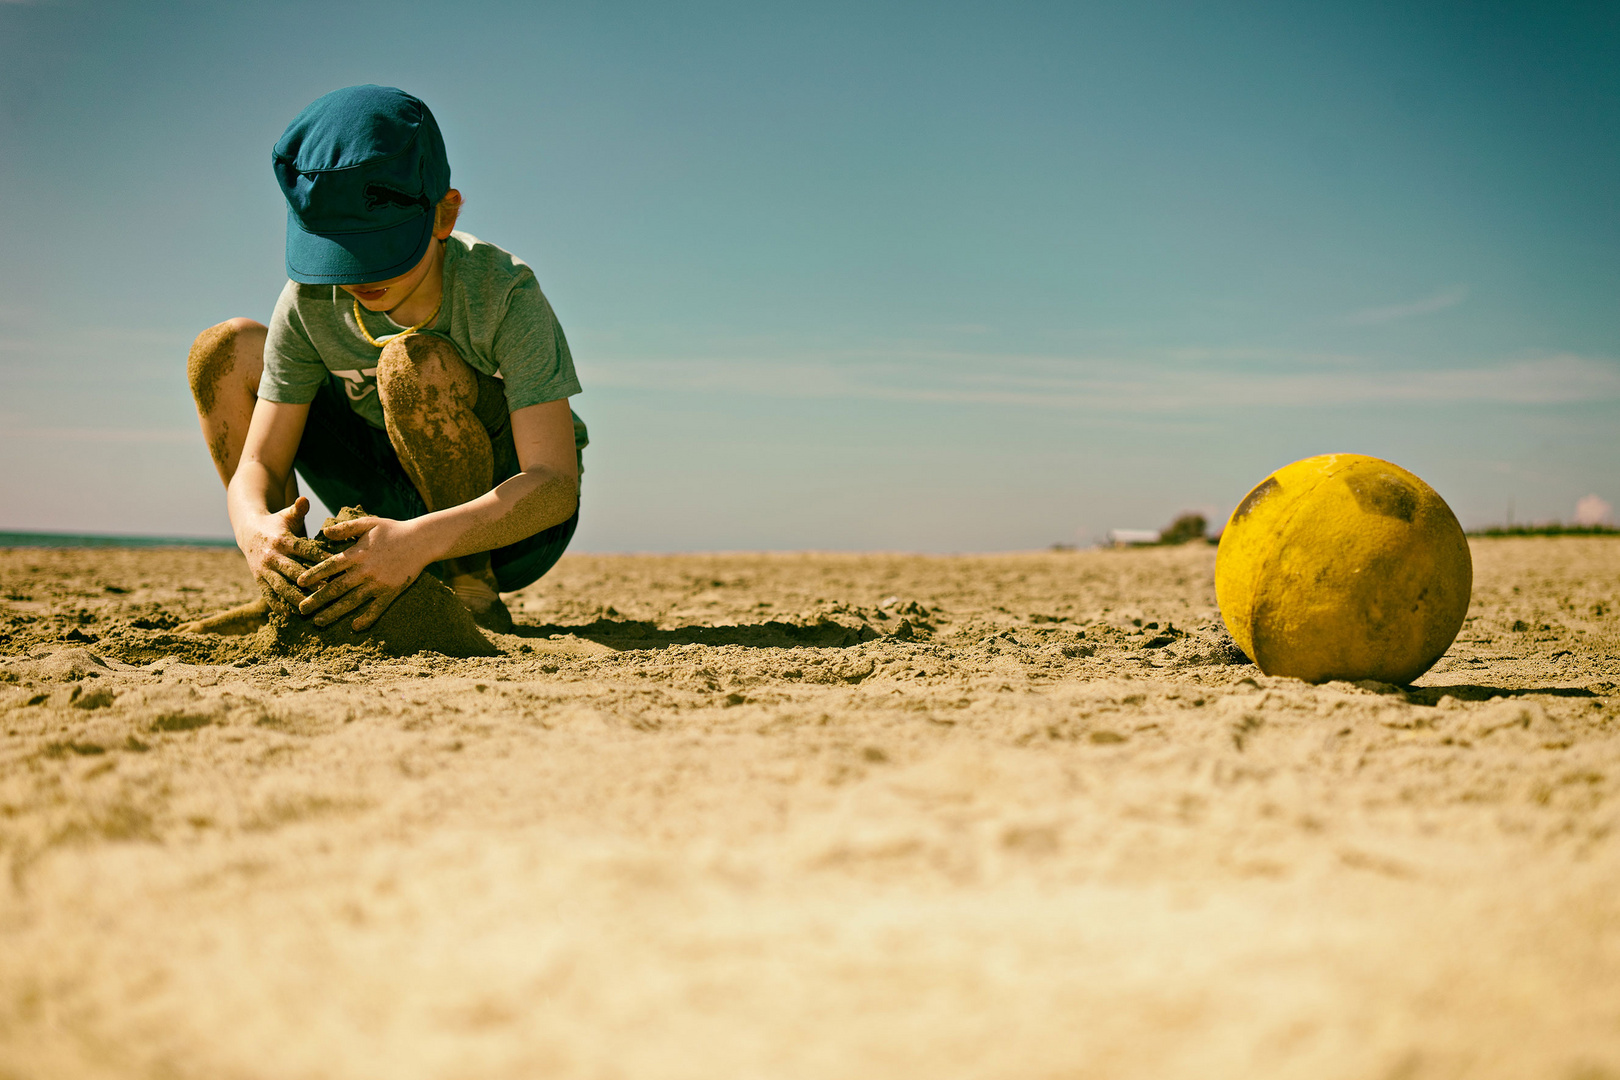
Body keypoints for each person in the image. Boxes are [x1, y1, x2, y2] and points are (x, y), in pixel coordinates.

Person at [185, 84, 585, 635]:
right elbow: (261, 464)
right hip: (387, 502)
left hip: (512, 529)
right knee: (223, 351)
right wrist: (254, 530)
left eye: (379, 251)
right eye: (338, 254)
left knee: (411, 362)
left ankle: (471, 588)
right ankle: (290, 591)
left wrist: (420, 541)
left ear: (444, 216)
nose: (359, 275)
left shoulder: (502, 292)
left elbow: (555, 484)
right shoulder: (308, 302)